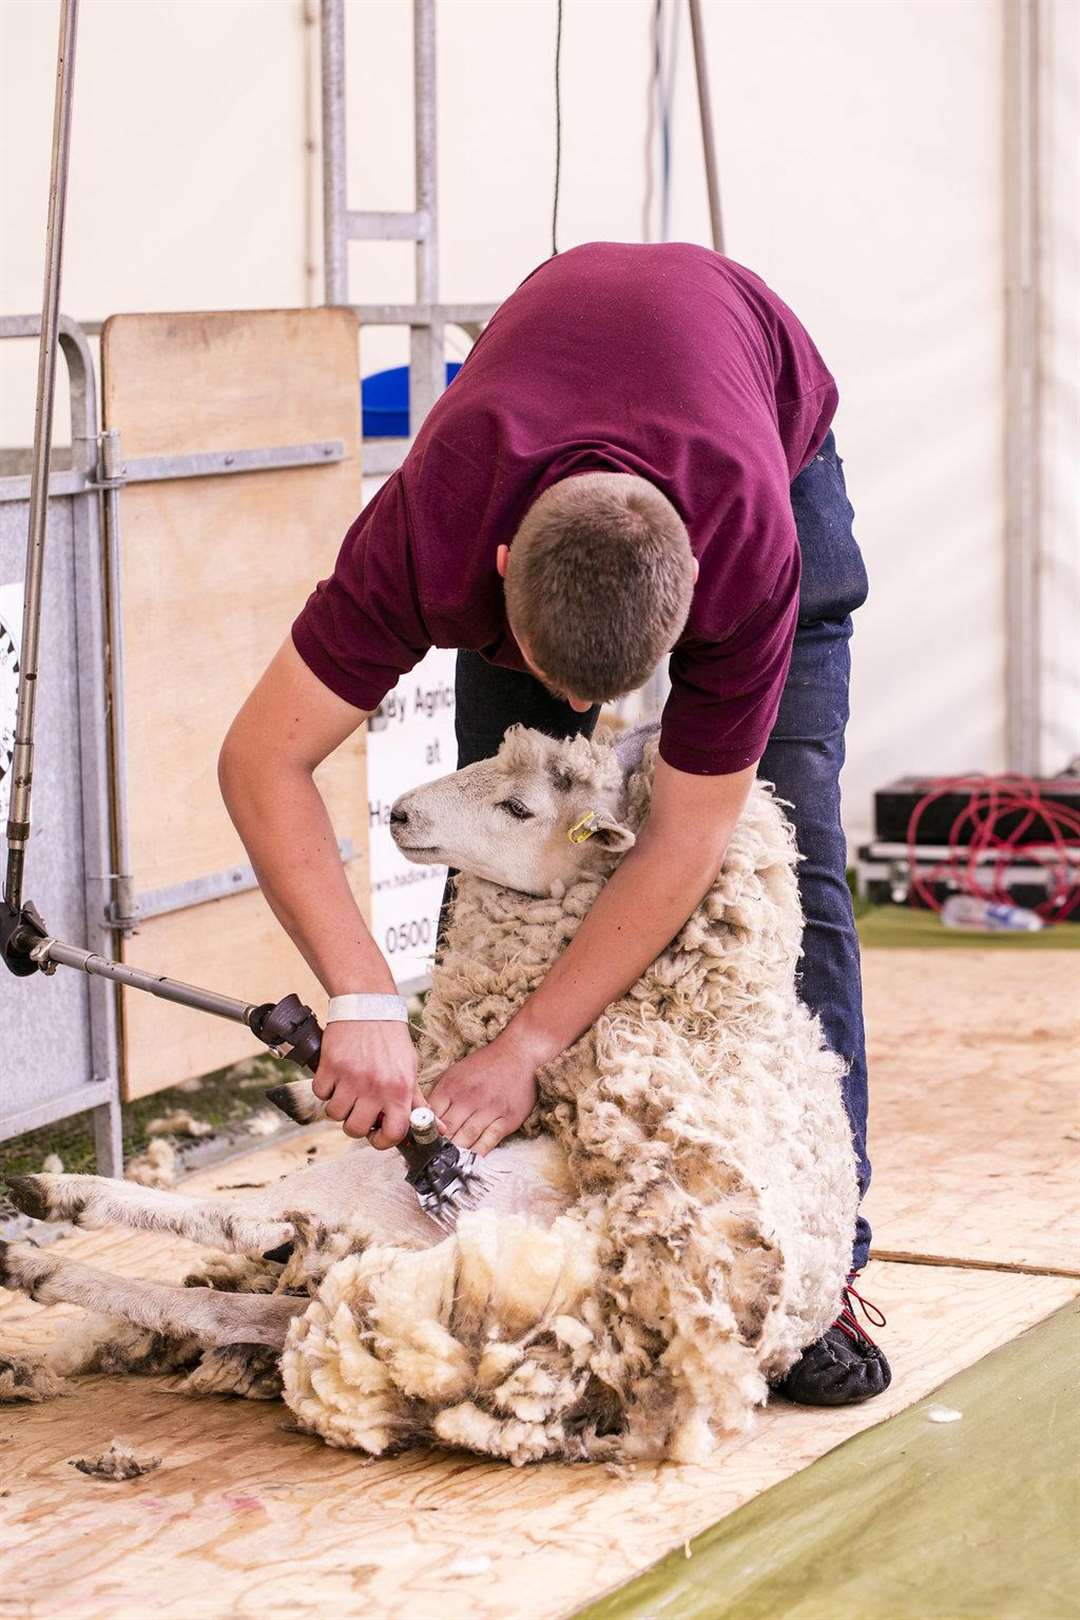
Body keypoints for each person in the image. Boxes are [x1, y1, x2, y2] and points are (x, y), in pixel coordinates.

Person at [219, 241, 889, 1406]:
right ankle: (486, 1209)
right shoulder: (433, 521)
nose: (584, 717)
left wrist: (533, 1045)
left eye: (613, 691)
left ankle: (814, 1271)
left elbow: (684, 837)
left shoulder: (746, 550)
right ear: (489, 576)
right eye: (552, 678)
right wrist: (364, 996)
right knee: (503, 863)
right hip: (544, 473)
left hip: (775, 448)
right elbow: (261, 758)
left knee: (782, 871)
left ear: (691, 616)